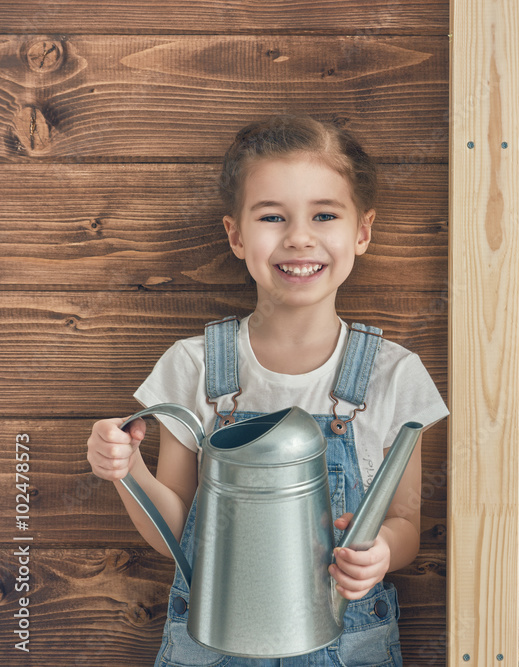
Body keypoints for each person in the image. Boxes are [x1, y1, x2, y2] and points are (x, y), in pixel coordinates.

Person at [86, 115, 448, 666]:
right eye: (272, 216)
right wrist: (125, 468)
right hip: (213, 644)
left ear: (362, 231)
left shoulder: (394, 376)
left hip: (347, 646)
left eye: (324, 215)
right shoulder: (195, 366)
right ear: (235, 234)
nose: (299, 236)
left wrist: (381, 552)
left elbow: (405, 524)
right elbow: (181, 536)